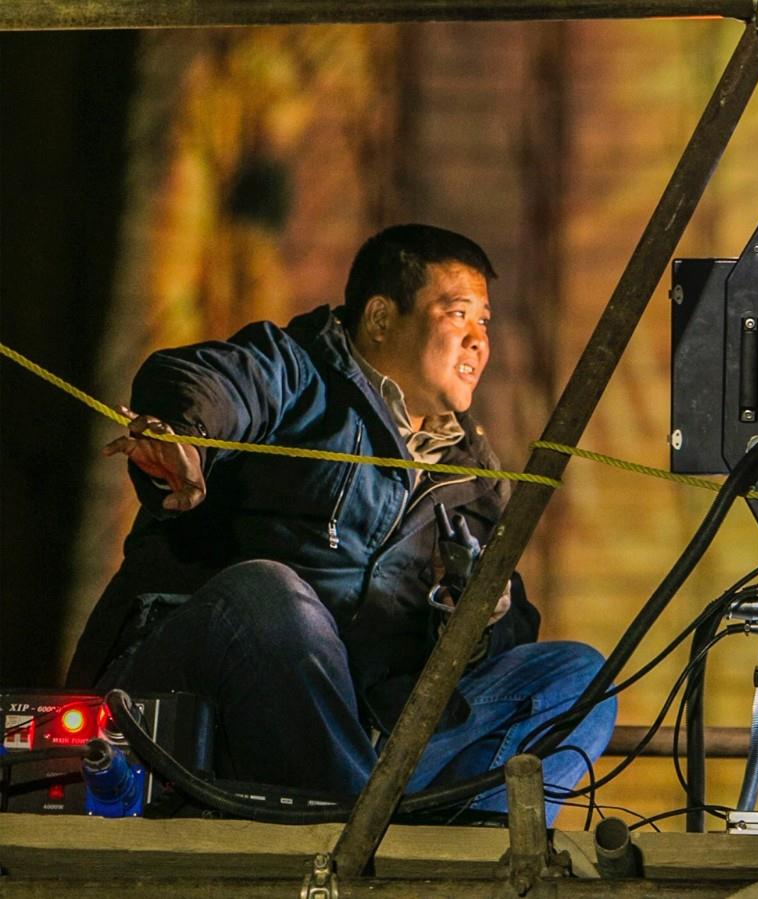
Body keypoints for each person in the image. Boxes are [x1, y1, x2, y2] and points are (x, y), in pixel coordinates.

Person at [67, 224, 616, 822]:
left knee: (577, 677)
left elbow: (506, 648)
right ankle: (361, 831)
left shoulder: (474, 482)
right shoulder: (297, 370)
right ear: (380, 318)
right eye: (458, 314)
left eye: (484, 322)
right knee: (267, 594)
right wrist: (185, 437)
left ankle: (451, 854)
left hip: (359, 745)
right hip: (209, 704)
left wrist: (481, 621)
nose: (478, 340)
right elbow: (209, 381)